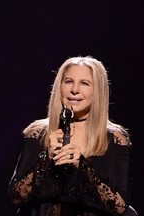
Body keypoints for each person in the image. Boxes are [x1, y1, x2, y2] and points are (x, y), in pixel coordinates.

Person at [8, 56, 133, 216]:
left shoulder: (115, 137)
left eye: (84, 83)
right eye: (68, 81)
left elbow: (120, 206)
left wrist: (81, 166)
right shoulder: (38, 132)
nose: (75, 90)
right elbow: (16, 197)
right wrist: (46, 158)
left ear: (98, 91)